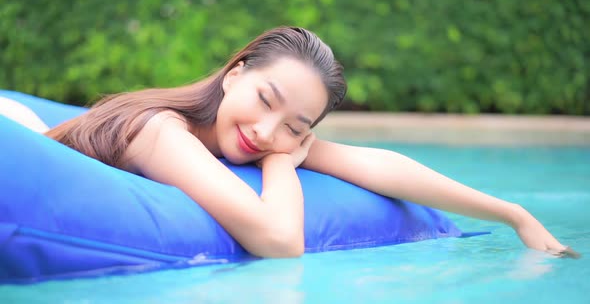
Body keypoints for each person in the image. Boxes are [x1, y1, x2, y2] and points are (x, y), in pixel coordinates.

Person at [1, 27, 579, 259]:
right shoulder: (162, 131)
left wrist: (511, 213)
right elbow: (280, 241)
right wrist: (283, 162)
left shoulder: (251, 131)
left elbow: (375, 166)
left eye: (296, 128)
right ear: (235, 73)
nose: (266, 131)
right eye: (265, 98)